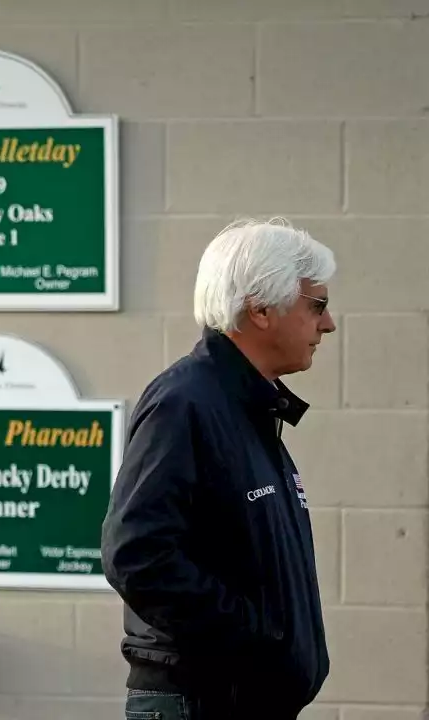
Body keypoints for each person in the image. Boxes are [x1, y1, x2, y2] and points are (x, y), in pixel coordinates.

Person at [101, 218, 335, 719]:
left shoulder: (247, 408)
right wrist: (254, 637)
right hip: (200, 702)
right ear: (260, 308)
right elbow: (136, 553)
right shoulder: (186, 402)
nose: (328, 324)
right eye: (316, 305)